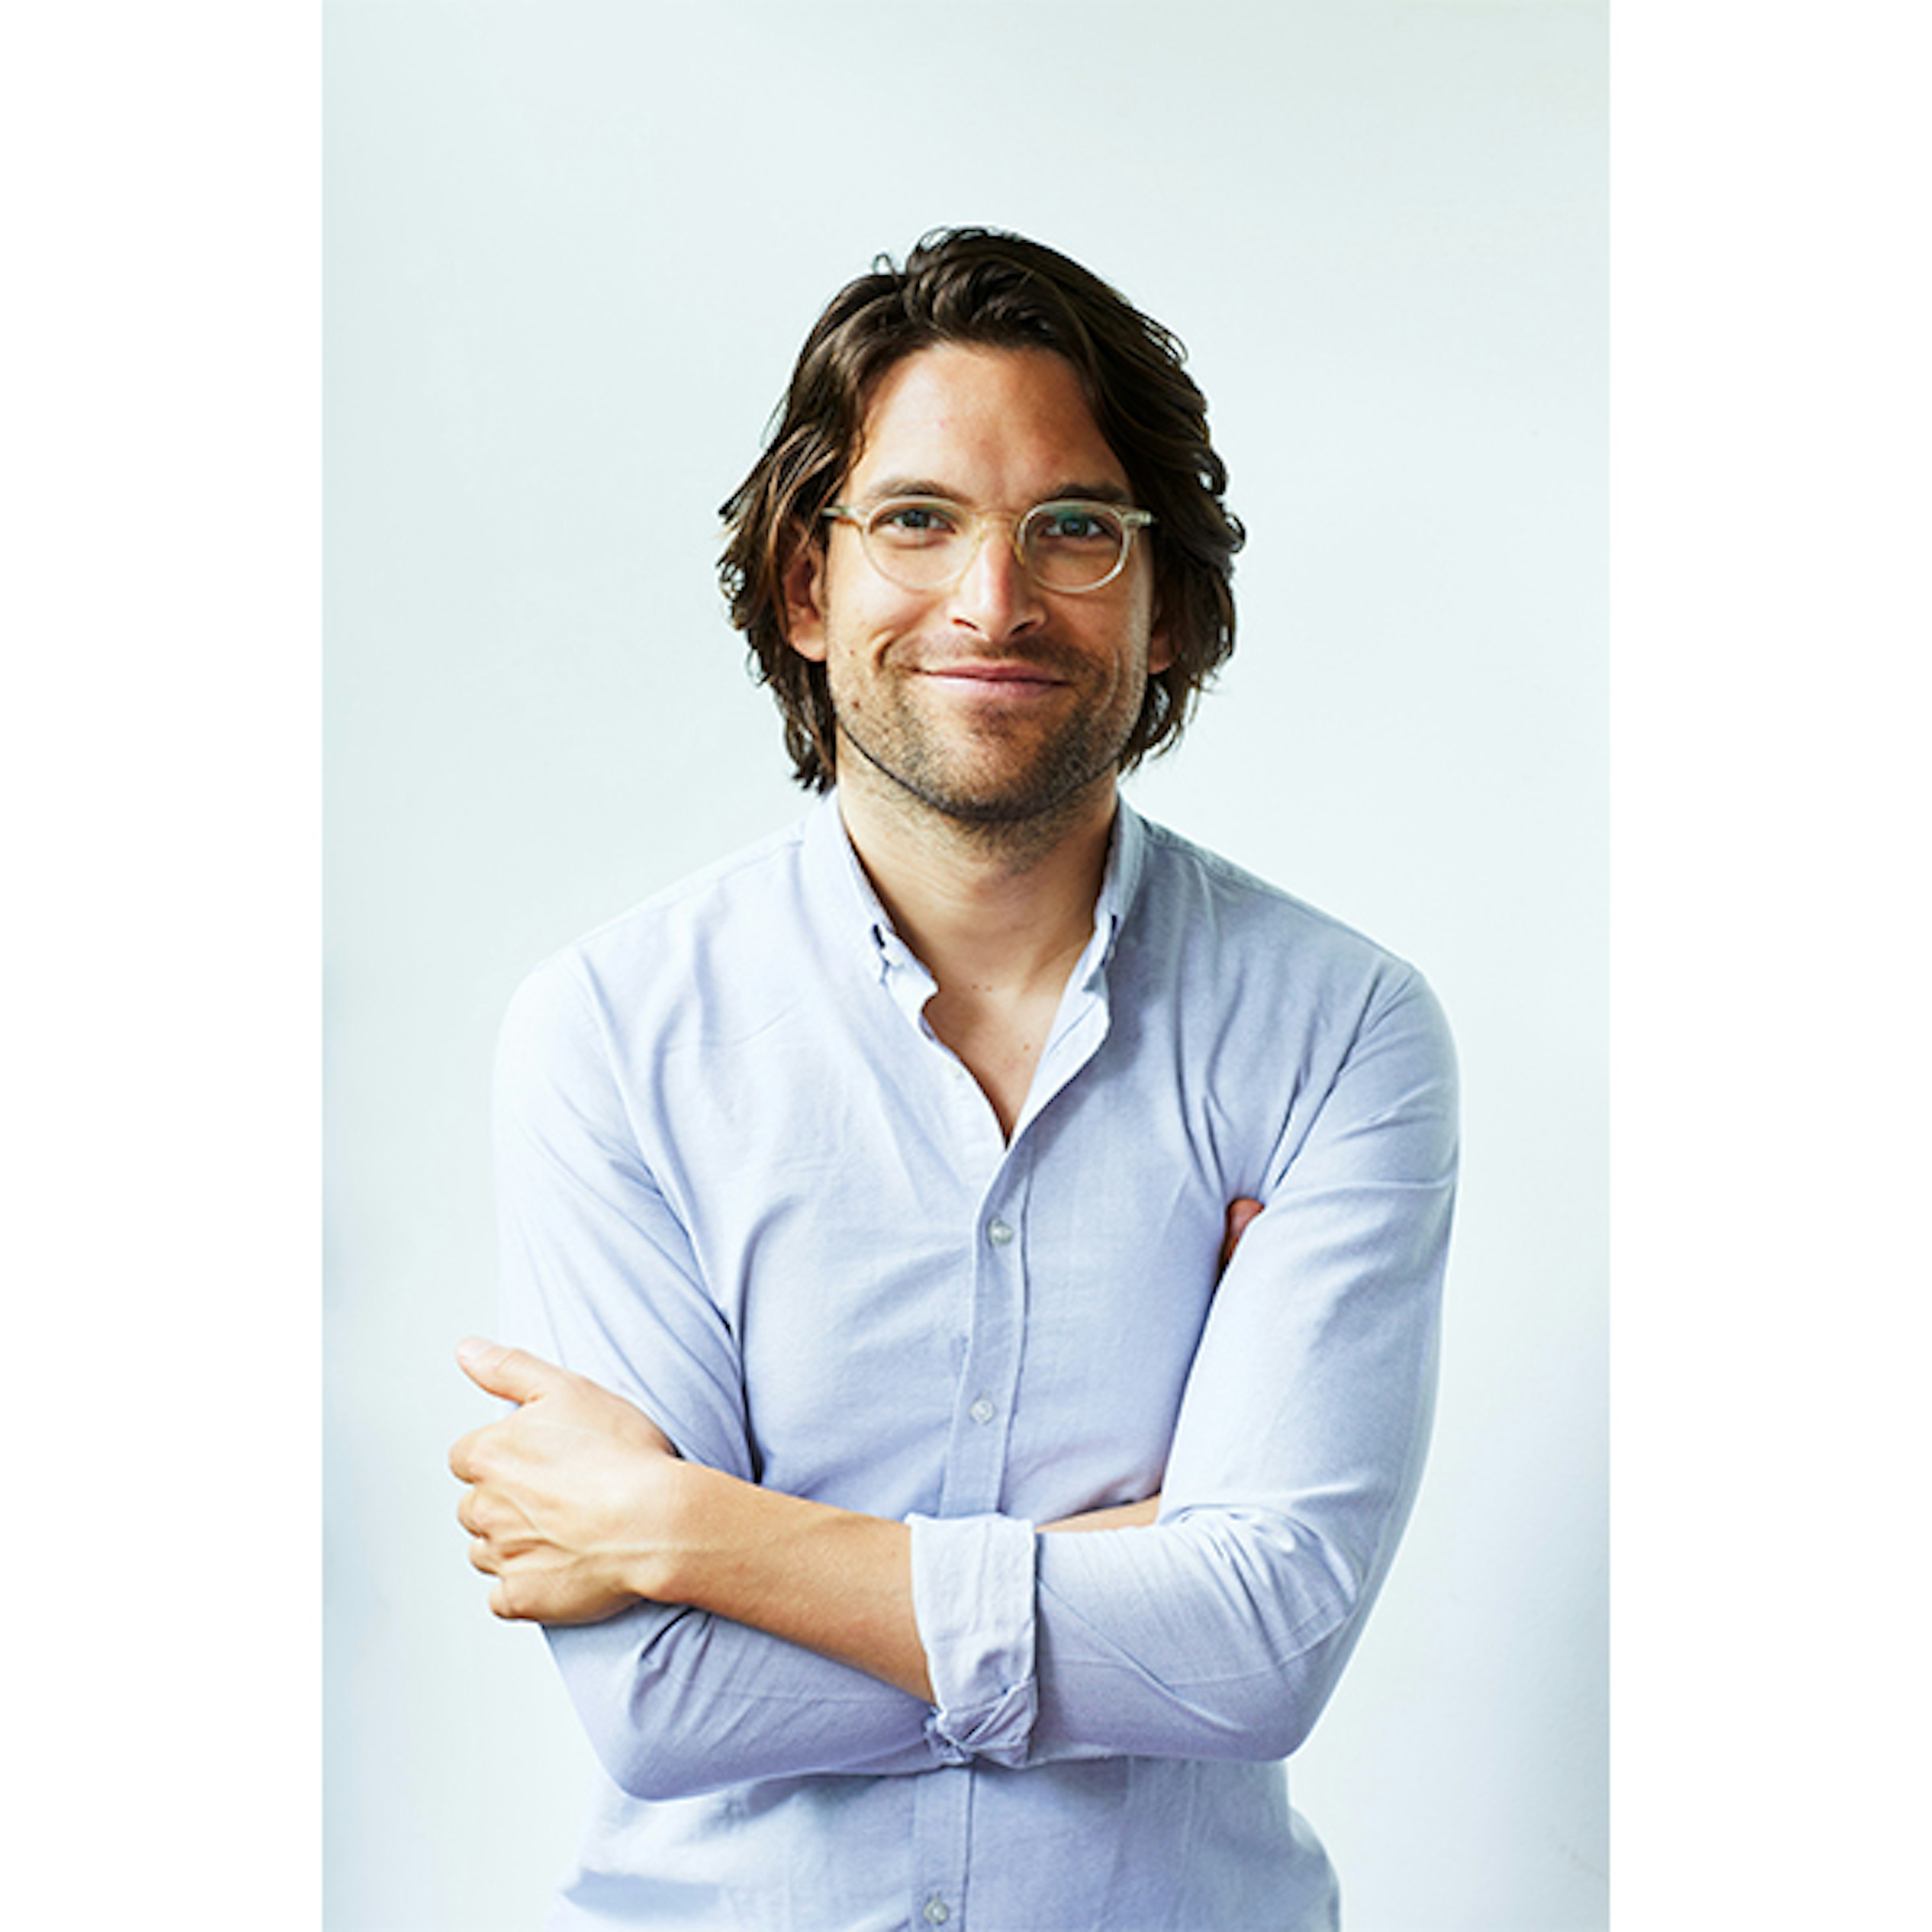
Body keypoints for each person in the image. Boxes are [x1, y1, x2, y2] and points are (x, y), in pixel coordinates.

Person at [449, 228, 1458, 1931]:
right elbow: (663, 1707)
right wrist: (1128, 1585)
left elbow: (1262, 1658)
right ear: (806, 586)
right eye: (917, 520)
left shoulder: (1342, 1028)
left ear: (1166, 607)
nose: (994, 600)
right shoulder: (609, 1032)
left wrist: (690, 1531)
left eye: (1073, 528)